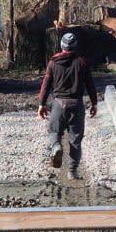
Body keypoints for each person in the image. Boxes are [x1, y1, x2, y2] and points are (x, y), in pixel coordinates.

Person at [36, 32, 98, 180]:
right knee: (75, 139)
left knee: (54, 132)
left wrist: (41, 104)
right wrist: (94, 103)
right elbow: (90, 85)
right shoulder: (82, 62)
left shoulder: (53, 62)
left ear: (62, 46)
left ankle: (56, 146)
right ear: (75, 46)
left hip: (58, 104)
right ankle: (72, 171)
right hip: (76, 104)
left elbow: (45, 85)